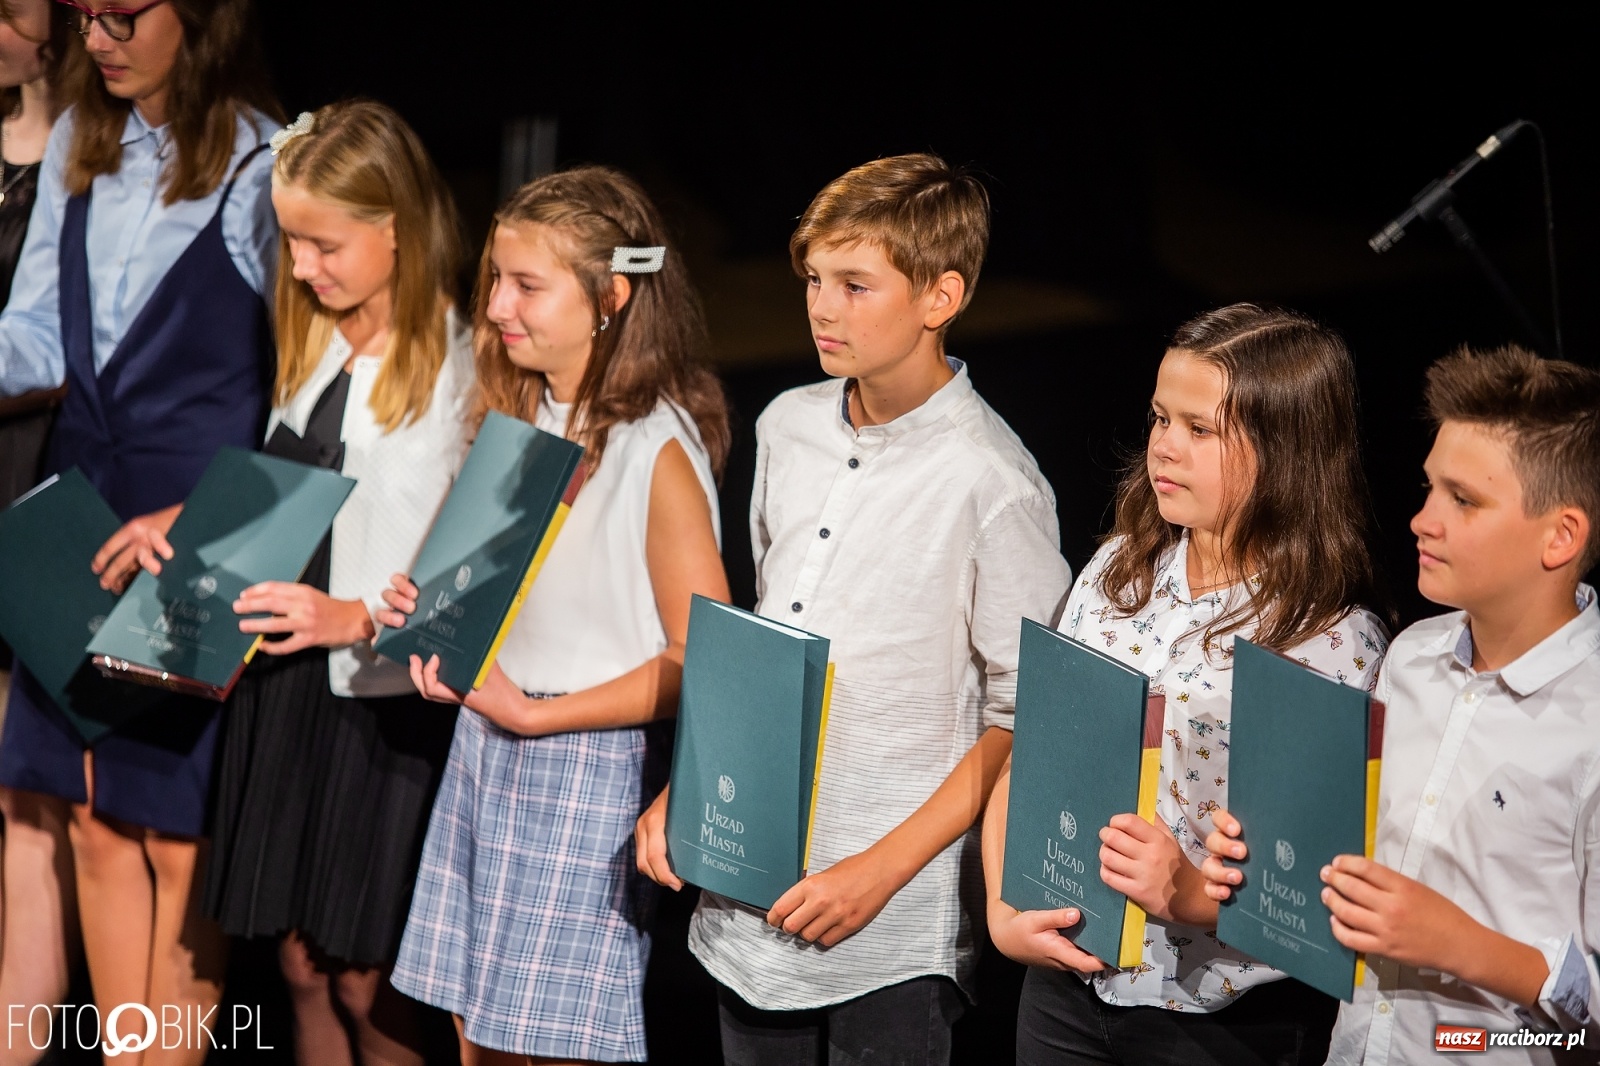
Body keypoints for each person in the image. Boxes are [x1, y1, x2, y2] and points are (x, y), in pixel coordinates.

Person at [636, 153, 1074, 1066]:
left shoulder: (993, 484)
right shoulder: (786, 424)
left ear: (941, 296)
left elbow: (1024, 716)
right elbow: (771, 639)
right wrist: (695, 783)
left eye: (854, 285)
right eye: (813, 280)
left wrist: (880, 870)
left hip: (890, 928)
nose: (822, 308)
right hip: (752, 887)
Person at [380, 165, 731, 1065]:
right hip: (487, 746)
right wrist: (434, 613)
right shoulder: (521, 411)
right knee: (476, 1036)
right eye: (496, 278)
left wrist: (538, 714)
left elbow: (704, 659)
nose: (498, 306)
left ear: (611, 297)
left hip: (583, 766)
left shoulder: (655, 449)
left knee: (548, 1048)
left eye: (527, 285)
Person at [981, 303, 1392, 1065]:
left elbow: (1322, 884)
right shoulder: (1118, 571)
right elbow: (1034, 754)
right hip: (1067, 987)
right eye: (1160, 418)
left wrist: (1190, 894)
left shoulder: (1329, 640)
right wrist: (1004, 912)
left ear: (1286, 450)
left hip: (1219, 1021)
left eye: (1200, 429)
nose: (1164, 447)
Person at [0, 0, 280, 1054]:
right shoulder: (82, 135)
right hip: (82, 511)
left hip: (189, 526)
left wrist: (221, 516)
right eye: (83, 16)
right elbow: (38, 336)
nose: (97, 40)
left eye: (121, 15)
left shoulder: (264, 166)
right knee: (88, 817)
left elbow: (297, 390)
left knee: (170, 830)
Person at [1203, 345, 1600, 1065]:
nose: (1422, 520)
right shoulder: (1411, 658)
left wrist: (1460, 944)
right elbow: (1354, 864)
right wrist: (1265, 863)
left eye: (1463, 500)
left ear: (1561, 536)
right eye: (1429, 489)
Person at [189, 100, 470, 1066]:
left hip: (385, 706)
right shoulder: (310, 342)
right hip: (288, 686)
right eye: (292, 242)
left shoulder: (463, 369)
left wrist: (350, 615)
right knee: (302, 967)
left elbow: (471, 566)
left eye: (325, 245)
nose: (303, 267)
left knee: (364, 977)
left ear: (397, 228)